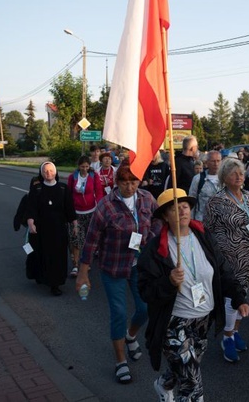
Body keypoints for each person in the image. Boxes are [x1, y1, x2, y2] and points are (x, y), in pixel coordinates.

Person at [138, 188, 249, 402]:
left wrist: (238, 297)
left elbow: (222, 269)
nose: (182, 211)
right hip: (174, 323)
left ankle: (164, 384)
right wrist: (168, 281)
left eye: (185, 206)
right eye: (174, 208)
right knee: (192, 385)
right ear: (164, 216)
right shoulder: (154, 250)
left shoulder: (203, 235)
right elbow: (145, 290)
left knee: (186, 368)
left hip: (202, 320)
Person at [77, 160, 161, 385]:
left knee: (144, 308)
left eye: (133, 181)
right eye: (124, 182)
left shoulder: (146, 198)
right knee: (118, 312)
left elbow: (157, 222)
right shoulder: (106, 205)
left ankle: (130, 335)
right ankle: (120, 360)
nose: (130, 187)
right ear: (118, 182)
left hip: (138, 265)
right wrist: (83, 272)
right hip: (112, 266)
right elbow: (91, 240)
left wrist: (150, 240)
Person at [203, 157, 249, 363]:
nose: (239, 177)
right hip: (226, 258)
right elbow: (206, 230)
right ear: (224, 178)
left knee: (242, 296)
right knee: (231, 298)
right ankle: (226, 337)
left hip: (247, 256)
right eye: (234, 174)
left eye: (241, 173)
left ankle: (234, 331)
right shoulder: (216, 202)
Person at [25, 162, 77, 296]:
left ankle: (56, 284)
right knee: (43, 254)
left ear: (56, 172)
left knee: (58, 256)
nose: (48, 173)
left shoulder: (63, 188)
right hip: (41, 230)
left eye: (51, 171)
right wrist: (31, 223)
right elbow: (31, 209)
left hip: (59, 229)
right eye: (45, 171)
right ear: (41, 173)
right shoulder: (37, 190)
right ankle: (42, 277)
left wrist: (74, 225)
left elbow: (70, 209)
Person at [66, 156, 105, 278]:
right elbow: (68, 193)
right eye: (82, 166)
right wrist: (69, 209)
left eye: (87, 167)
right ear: (79, 166)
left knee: (89, 239)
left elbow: (99, 192)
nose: (84, 169)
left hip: (91, 212)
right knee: (76, 239)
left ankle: (86, 262)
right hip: (77, 213)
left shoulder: (94, 176)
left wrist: (99, 206)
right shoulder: (72, 177)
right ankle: (76, 265)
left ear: (89, 167)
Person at [188, 150, 222, 222]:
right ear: (207, 163)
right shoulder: (198, 179)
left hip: (221, 221)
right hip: (202, 221)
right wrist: (191, 221)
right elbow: (191, 200)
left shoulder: (225, 179)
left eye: (218, 161)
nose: (216, 164)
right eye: (213, 161)